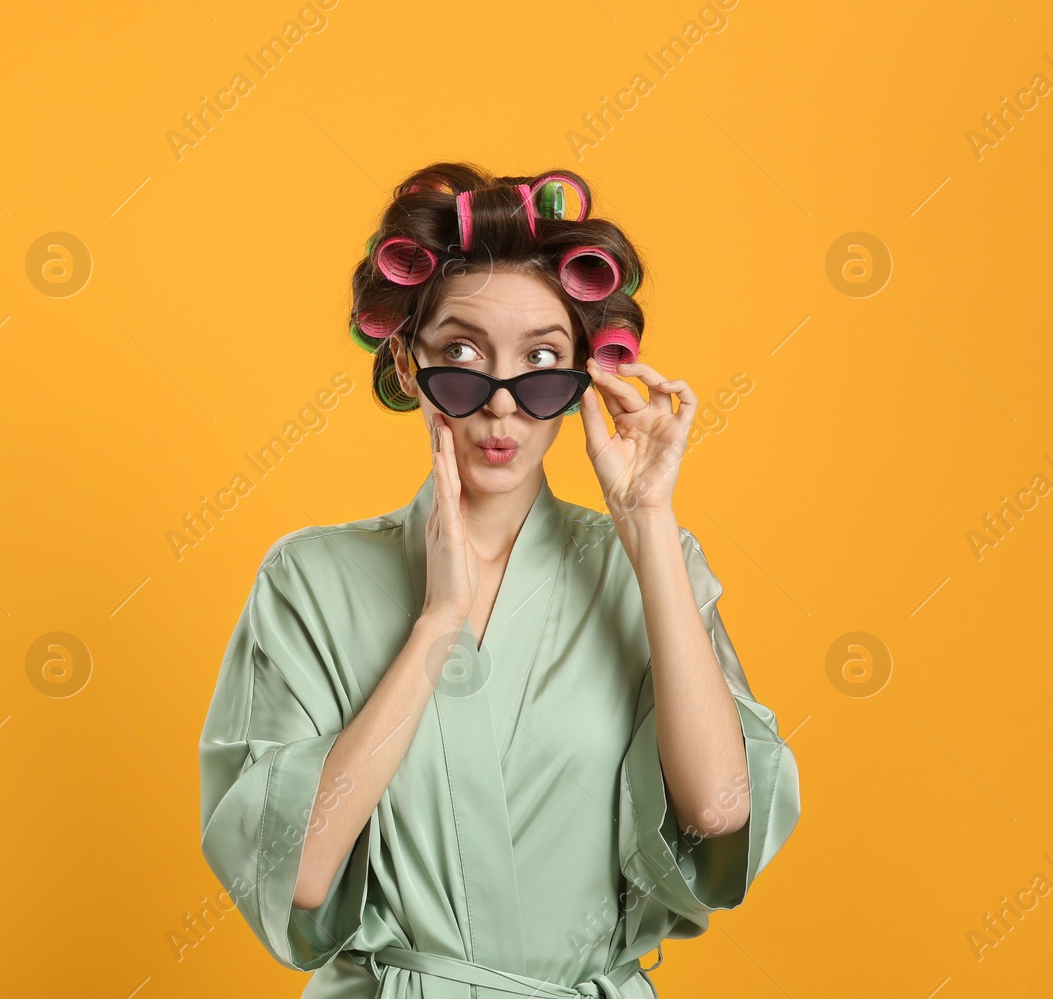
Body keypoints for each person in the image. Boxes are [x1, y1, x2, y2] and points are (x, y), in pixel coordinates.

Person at [196, 162, 801, 998]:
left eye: (543, 359)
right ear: (408, 367)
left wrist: (649, 521)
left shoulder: (644, 568)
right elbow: (294, 871)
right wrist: (437, 621)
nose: (504, 402)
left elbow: (719, 811)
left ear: (585, 375)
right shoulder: (311, 577)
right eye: (462, 353)